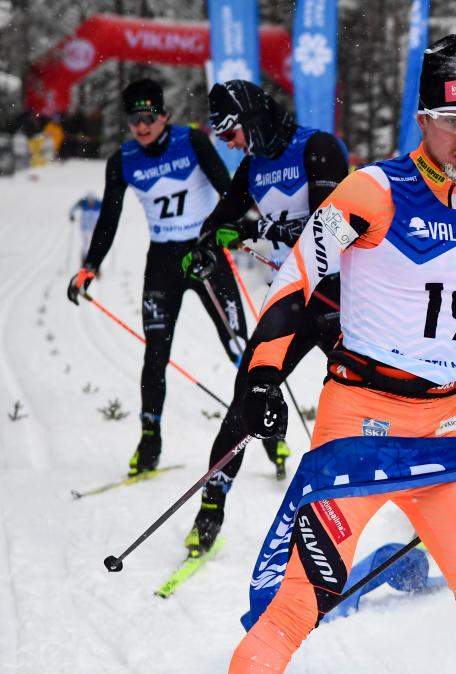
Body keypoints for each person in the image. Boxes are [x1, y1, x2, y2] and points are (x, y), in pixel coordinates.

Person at [228, 35, 456, 674]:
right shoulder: (371, 190)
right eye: (453, 122)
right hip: (357, 424)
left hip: (443, 432)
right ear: (423, 120)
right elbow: (297, 278)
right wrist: (263, 376)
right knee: (295, 608)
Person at [178, 80, 350, 557]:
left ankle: (417, 504)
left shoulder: (318, 148)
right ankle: (209, 511)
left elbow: (332, 228)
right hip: (291, 301)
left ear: (251, 121)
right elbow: (219, 219)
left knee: (376, 402)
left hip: (340, 299)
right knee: (246, 397)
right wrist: (206, 247)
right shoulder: (253, 164)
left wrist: (257, 227)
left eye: (230, 132)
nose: (229, 144)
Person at [66, 79, 247, 476]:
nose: (142, 126)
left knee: (239, 348)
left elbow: (229, 191)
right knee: (155, 355)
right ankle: (149, 441)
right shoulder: (123, 160)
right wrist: (90, 265)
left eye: (149, 117)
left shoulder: (192, 141)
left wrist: (236, 229)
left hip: (205, 256)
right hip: (163, 264)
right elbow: (108, 219)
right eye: (134, 119)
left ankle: (269, 433)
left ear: (164, 115)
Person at [69, 191, 102, 264]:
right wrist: (71, 215)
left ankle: (95, 261)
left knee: (96, 244)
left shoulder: (99, 204)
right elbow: (73, 208)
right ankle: (84, 260)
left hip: (95, 228)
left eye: (92, 201)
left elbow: (108, 209)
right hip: (85, 228)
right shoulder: (82, 203)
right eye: (89, 201)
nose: (91, 203)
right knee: (86, 244)